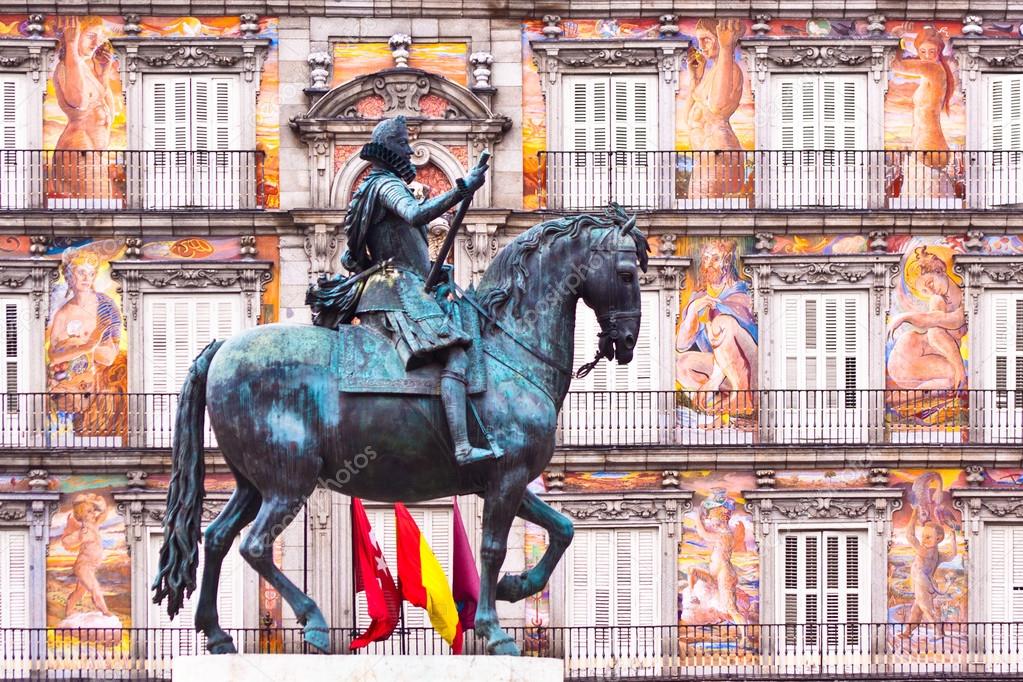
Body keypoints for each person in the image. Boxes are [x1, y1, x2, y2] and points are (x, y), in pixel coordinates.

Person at [311, 116, 493, 465]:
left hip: (395, 285)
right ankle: (462, 446)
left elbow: (357, 254)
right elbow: (415, 214)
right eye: (405, 150)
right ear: (393, 152)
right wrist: (462, 188)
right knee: (455, 355)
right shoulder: (386, 185)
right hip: (397, 290)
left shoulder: (369, 188)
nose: (410, 156)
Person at [675, 240, 757, 410]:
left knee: (722, 323)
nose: (709, 264)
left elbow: (739, 341)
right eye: (705, 259)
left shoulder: (742, 292)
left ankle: (743, 396)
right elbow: (681, 344)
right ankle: (715, 401)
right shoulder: (699, 296)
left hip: (751, 368)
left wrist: (714, 379)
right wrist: (693, 311)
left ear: (726, 261)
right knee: (681, 364)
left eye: (715, 258)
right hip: (724, 372)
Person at [50, 17, 118, 199]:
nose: (97, 43)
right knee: (99, 210)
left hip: (90, 152)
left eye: (99, 37)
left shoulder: (84, 68)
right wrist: (71, 45)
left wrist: (103, 73)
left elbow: (102, 106)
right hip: (78, 150)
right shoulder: (67, 66)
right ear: (74, 35)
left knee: (101, 210)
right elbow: (79, 101)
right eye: (90, 36)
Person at [682, 19, 745, 199]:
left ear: (721, 37)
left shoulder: (731, 68)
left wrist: (726, 48)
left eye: (707, 39)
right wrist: (695, 81)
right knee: (696, 212)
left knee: (703, 216)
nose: (701, 46)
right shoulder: (712, 73)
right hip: (707, 155)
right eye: (699, 40)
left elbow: (718, 106)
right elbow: (689, 120)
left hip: (719, 154)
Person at [887, 247, 965, 390]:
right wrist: (959, 366)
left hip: (922, 356)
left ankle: (903, 397)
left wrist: (906, 317)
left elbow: (954, 320)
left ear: (940, 269)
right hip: (909, 353)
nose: (930, 291)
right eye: (924, 291)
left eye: (929, 283)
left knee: (951, 379)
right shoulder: (937, 300)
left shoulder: (966, 298)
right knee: (952, 376)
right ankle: (903, 397)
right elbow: (936, 333)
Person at [48, 252, 122, 395]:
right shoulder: (62, 314)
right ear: (69, 275)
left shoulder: (105, 306)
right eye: (81, 272)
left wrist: (74, 344)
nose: (87, 278)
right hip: (66, 387)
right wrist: (87, 345)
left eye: (91, 274)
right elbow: (54, 357)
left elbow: (109, 358)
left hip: (97, 389)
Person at [687, 491, 749, 626]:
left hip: (724, 574)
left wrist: (698, 515)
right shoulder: (722, 534)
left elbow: (703, 533)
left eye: (713, 517)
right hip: (715, 575)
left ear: (721, 519)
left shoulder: (725, 535)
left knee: (732, 609)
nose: (710, 520)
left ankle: (745, 637)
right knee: (692, 571)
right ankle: (693, 597)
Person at [899, 507, 957, 639]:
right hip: (928, 583)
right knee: (917, 610)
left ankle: (938, 633)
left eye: (928, 537)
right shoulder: (937, 555)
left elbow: (909, 536)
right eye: (923, 536)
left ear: (938, 539)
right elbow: (953, 554)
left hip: (921, 581)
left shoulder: (923, 551)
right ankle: (907, 632)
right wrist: (953, 536)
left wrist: (913, 515)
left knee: (925, 608)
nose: (923, 539)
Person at [61, 493, 113, 617]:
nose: (94, 513)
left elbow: (104, 513)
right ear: (82, 515)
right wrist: (79, 537)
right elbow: (66, 541)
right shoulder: (82, 531)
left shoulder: (95, 525)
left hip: (91, 567)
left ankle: (68, 611)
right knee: (95, 588)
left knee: (79, 592)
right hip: (83, 566)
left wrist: (98, 501)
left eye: (93, 510)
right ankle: (105, 611)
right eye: (90, 511)